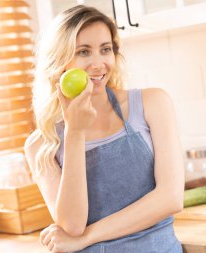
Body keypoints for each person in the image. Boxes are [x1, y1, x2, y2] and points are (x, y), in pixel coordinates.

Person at [24, 4, 185, 253]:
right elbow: (72, 226)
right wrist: (74, 132)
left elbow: (170, 198)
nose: (98, 64)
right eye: (84, 52)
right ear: (60, 62)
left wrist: (87, 238)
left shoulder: (152, 103)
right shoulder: (41, 144)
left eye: (105, 49)